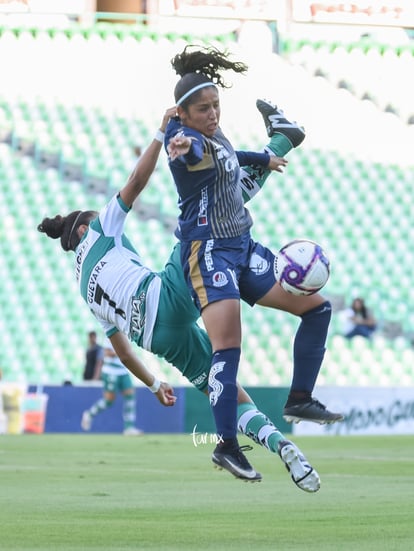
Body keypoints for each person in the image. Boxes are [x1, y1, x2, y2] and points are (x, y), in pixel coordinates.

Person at [37, 105, 328, 491]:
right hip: (166, 294)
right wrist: (161, 133)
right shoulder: (99, 230)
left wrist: (156, 385)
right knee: (210, 213)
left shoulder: (84, 288)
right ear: (86, 226)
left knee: (226, 392)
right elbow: (136, 181)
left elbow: (123, 352)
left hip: (158, 339)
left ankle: (281, 444)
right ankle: (282, 140)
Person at [165, 45, 343, 481]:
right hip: (207, 254)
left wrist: (264, 157)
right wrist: (180, 142)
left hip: (241, 246)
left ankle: (300, 397)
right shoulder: (184, 141)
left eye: (215, 106)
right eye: (203, 109)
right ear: (183, 115)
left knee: (317, 307)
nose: (212, 114)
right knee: (227, 350)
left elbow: (229, 157)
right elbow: (189, 152)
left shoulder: (216, 135)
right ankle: (226, 445)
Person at [81, 339, 144, 435]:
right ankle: (89, 414)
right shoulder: (110, 334)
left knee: (130, 395)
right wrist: (122, 353)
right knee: (109, 401)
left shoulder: (125, 332)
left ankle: (129, 427)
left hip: (123, 371)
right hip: (111, 371)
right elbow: (106, 352)